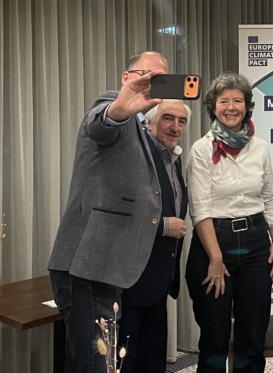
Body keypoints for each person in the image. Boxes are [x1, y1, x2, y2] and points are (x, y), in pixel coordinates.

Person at [47, 51, 168, 373]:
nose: (154, 84)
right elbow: (100, 124)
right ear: (127, 78)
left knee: (98, 364)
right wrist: (119, 110)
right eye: (148, 76)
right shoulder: (113, 107)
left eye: (162, 79)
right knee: (95, 367)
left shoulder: (143, 126)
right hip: (88, 266)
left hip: (105, 268)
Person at [185, 72, 273, 373]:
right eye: (223, 101)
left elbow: (270, 197)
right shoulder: (202, 149)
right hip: (214, 244)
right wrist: (215, 258)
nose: (231, 107)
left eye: (237, 100)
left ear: (246, 106)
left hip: (256, 244)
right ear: (213, 107)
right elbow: (199, 209)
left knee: (252, 333)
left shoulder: (260, 147)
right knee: (214, 335)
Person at [118, 100, 191, 373]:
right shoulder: (135, 156)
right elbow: (118, 212)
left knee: (152, 361)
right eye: (168, 118)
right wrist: (162, 226)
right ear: (149, 122)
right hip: (130, 282)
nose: (175, 127)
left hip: (158, 281)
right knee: (125, 362)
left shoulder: (174, 159)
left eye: (182, 121)